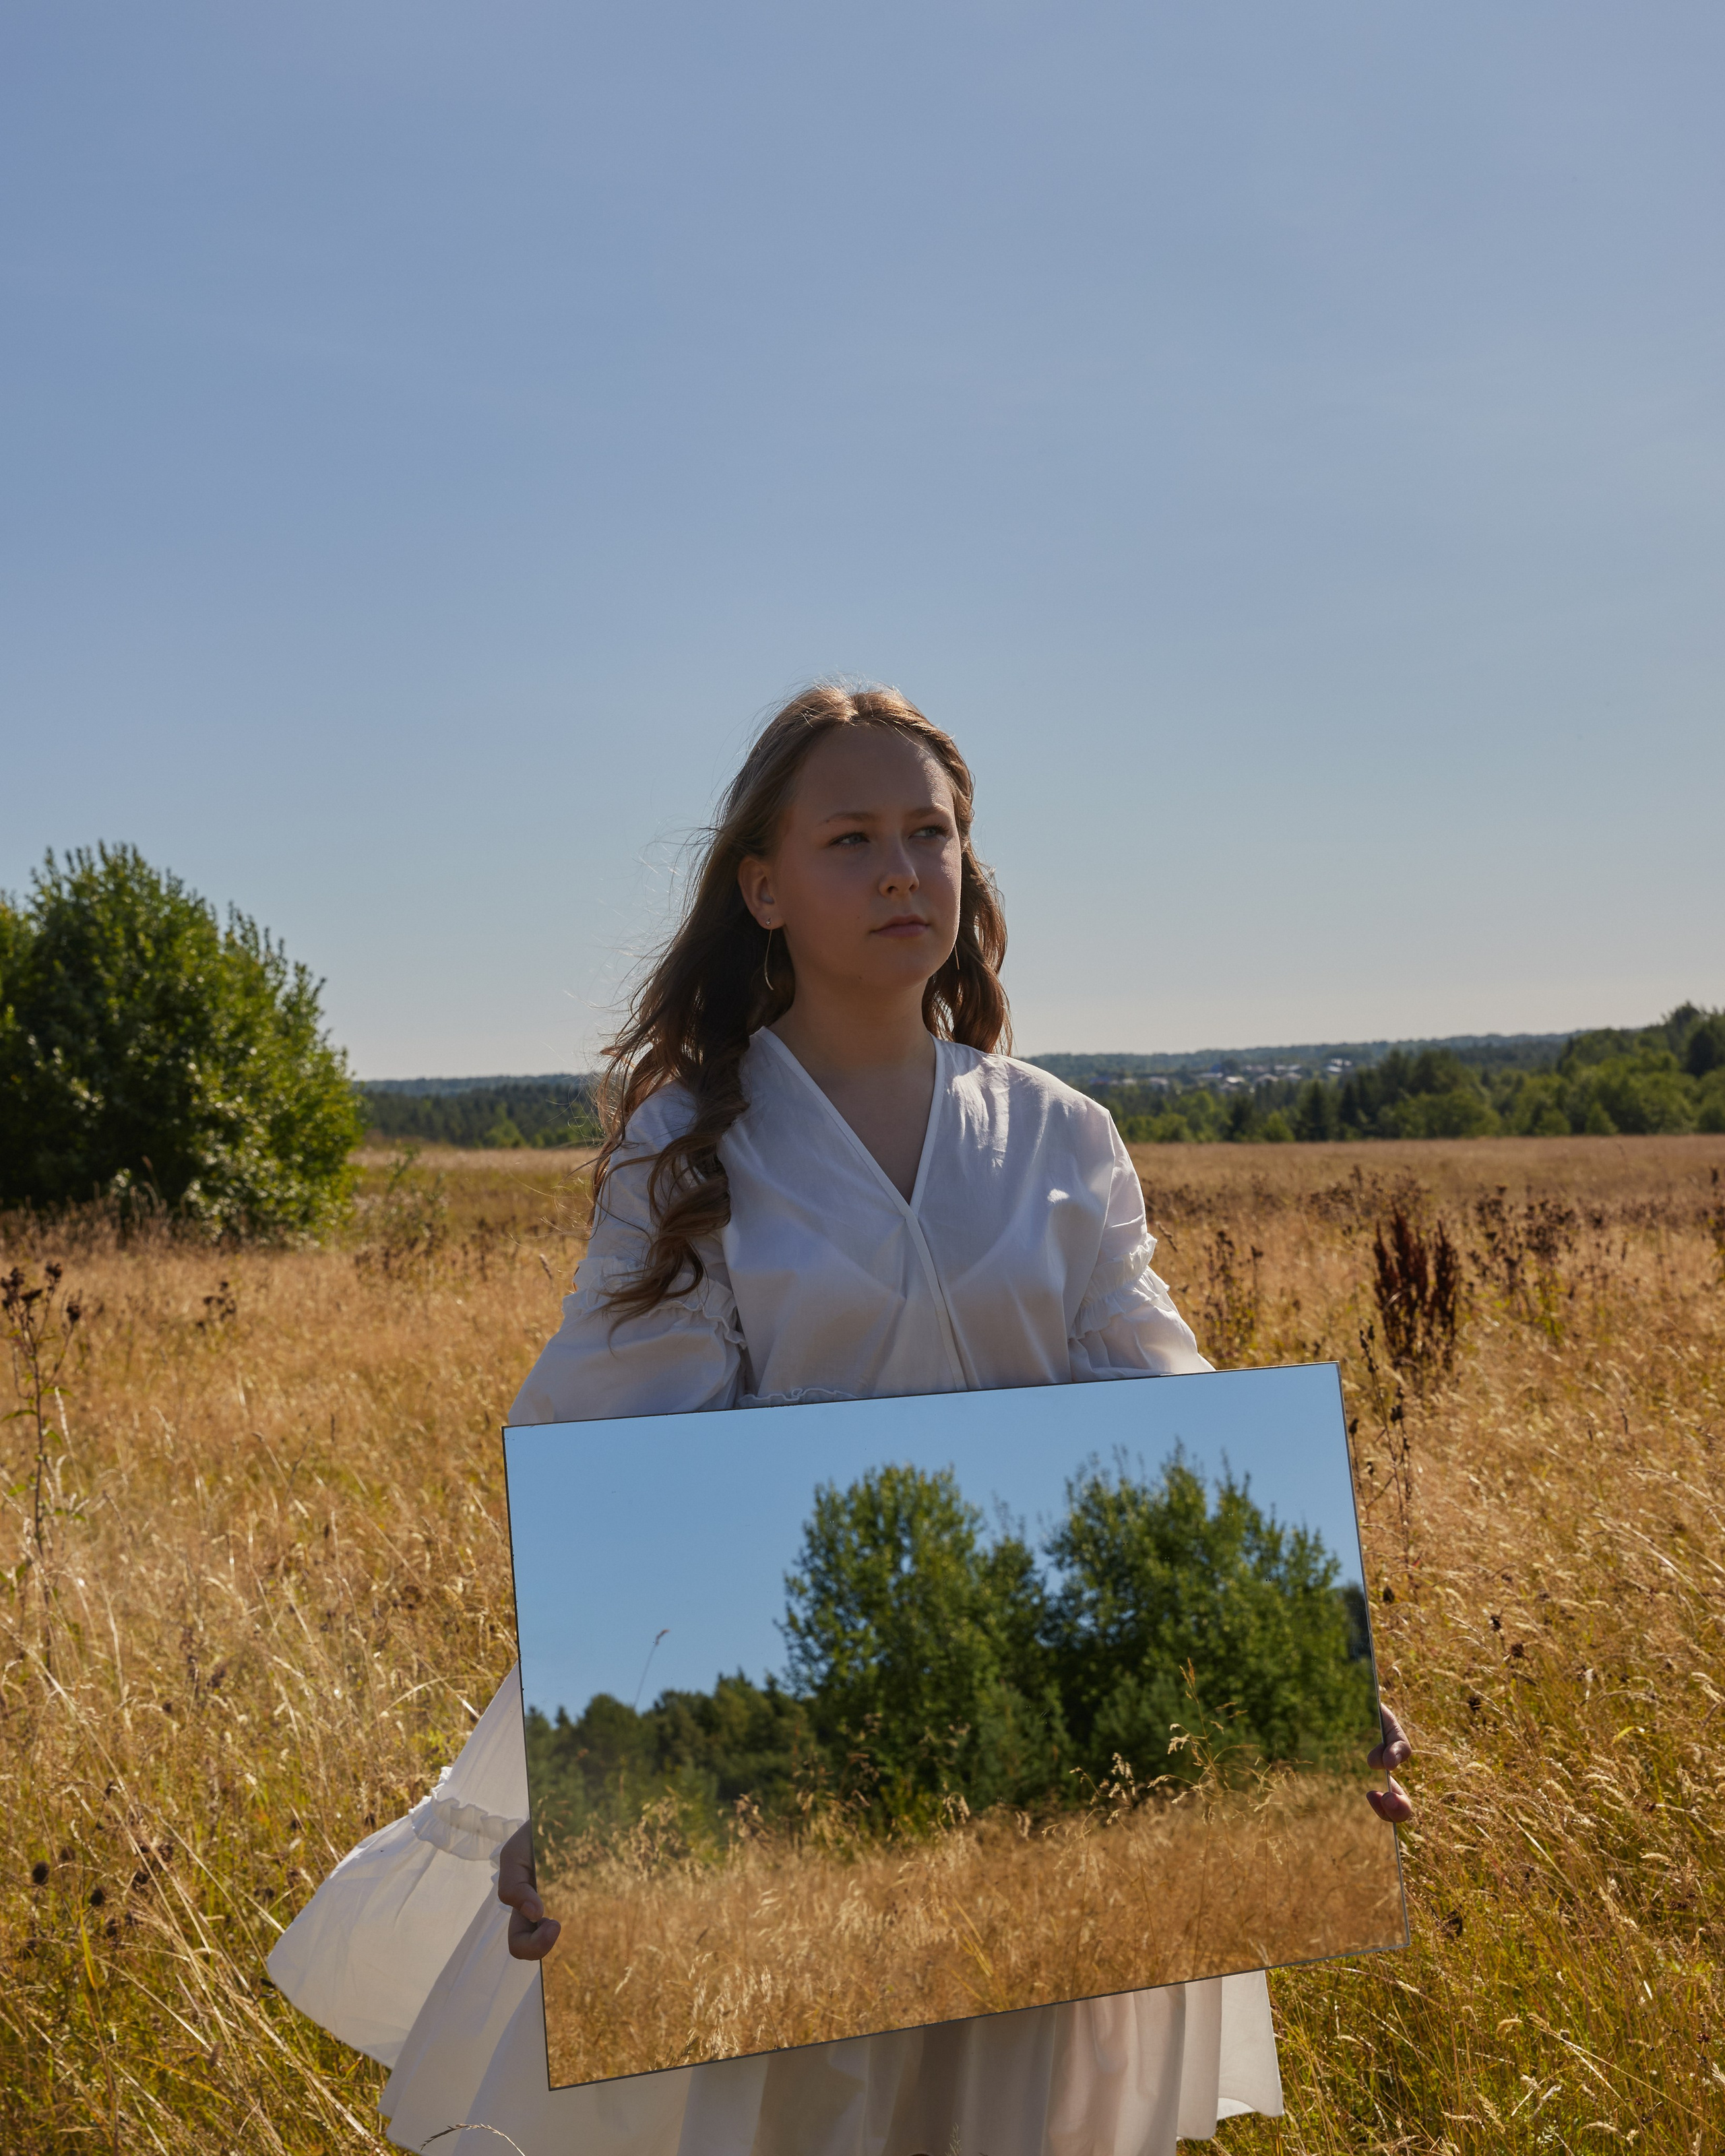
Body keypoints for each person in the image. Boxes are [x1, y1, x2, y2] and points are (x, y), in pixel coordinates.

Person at [270, 683, 1413, 2155]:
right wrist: (616, 1791)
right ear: (762, 884)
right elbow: (627, 1468)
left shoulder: (1064, 1133)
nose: (899, 869)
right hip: (783, 1773)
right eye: (852, 836)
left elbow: (1162, 1435)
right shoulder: (690, 1145)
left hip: (1036, 1765)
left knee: (1005, 2112)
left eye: (930, 833)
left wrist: (1292, 1691)